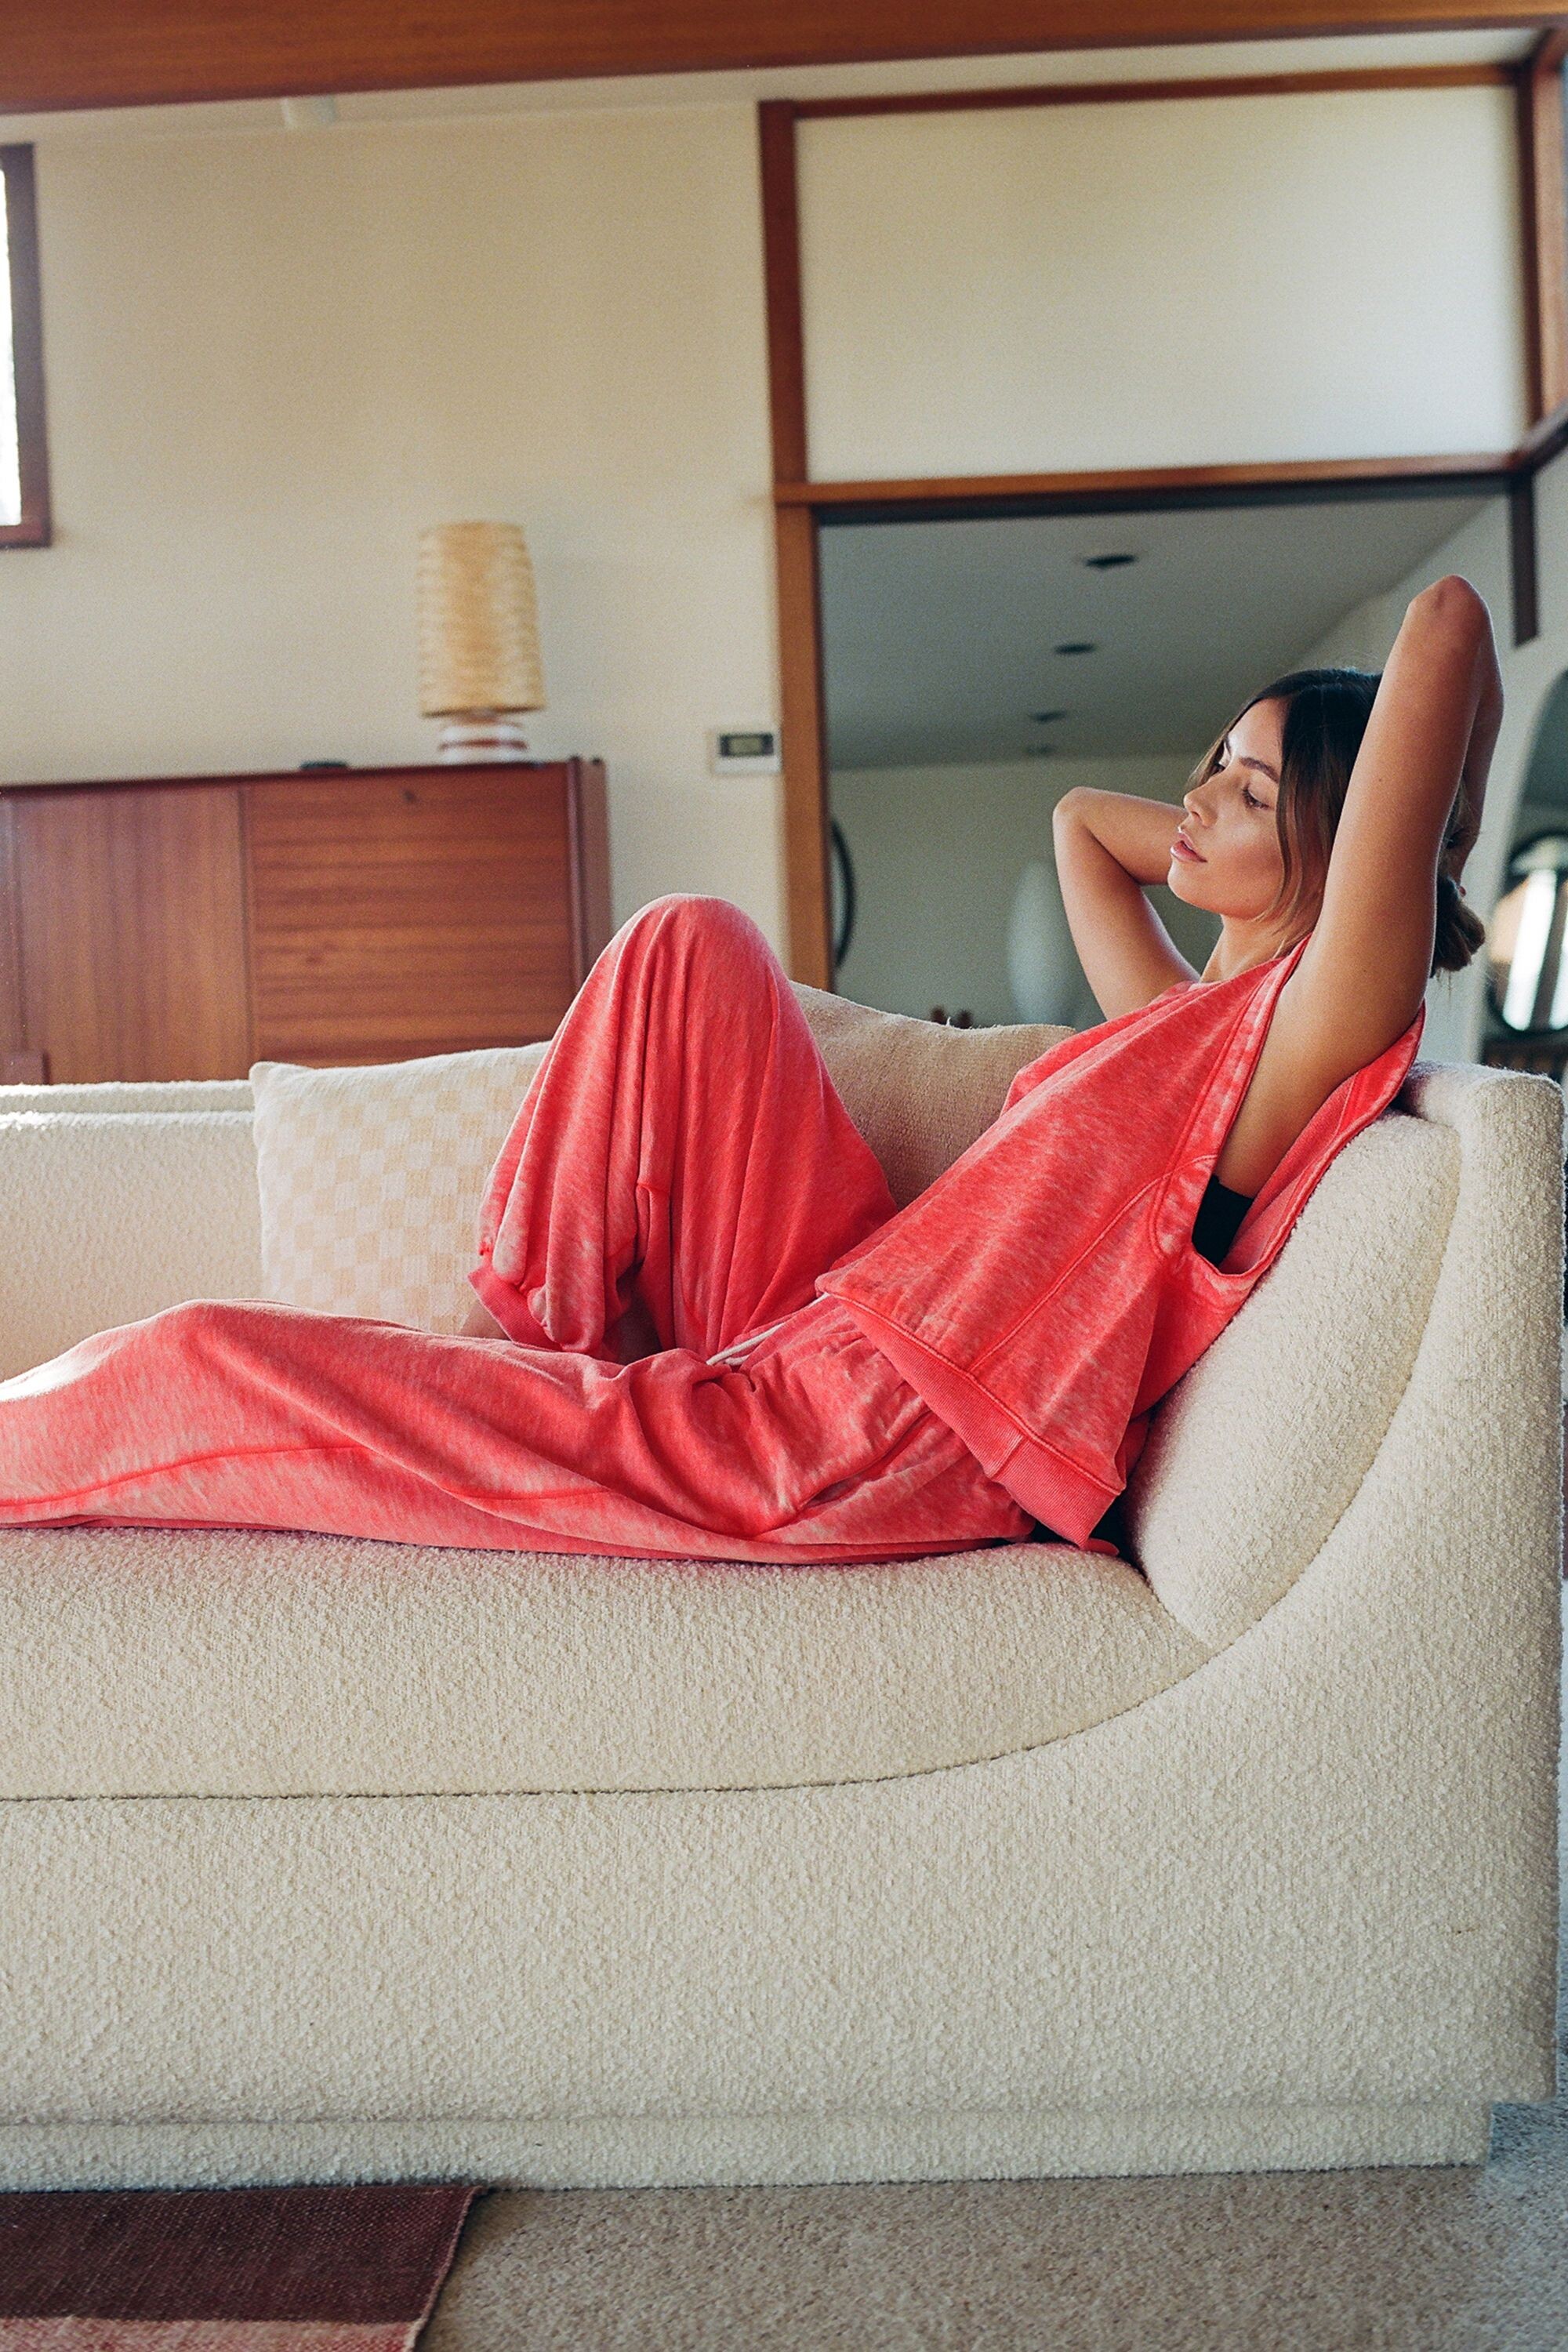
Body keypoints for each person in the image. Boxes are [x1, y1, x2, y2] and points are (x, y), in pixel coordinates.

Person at [0, 575, 1497, 1565]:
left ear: (1349, 840)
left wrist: (1428, 847)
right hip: (822, 1317)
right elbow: (1077, 830)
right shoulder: (1177, 1022)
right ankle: (532, 1344)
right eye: (1208, 764)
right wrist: (1237, 818)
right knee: (690, 941)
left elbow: (1447, 627)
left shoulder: (1298, 1039)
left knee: (198, 1354)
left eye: (1246, 790)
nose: (1195, 800)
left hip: (857, 1438)